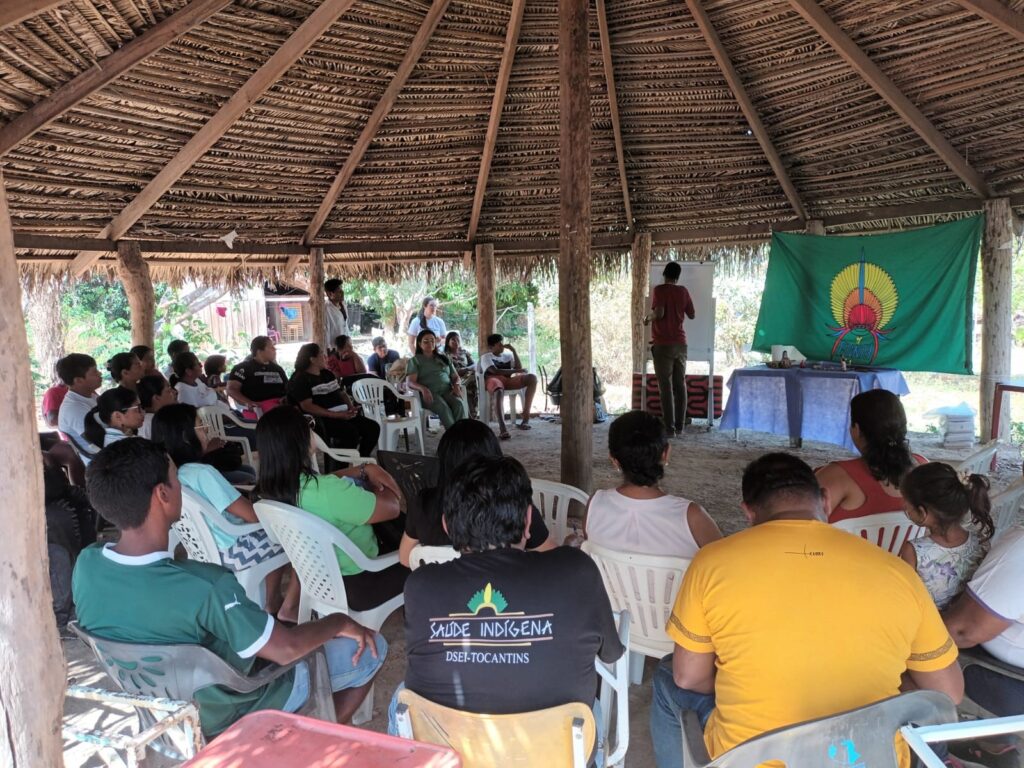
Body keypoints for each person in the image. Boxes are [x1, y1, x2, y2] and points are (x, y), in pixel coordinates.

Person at [650, 452, 963, 768]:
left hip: (750, 758)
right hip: (866, 758)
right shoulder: (897, 572)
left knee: (668, 674)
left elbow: (689, 678)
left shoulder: (711, 563)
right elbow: (948, 694)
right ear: (826, 500)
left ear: (747, 511)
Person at [72, 438, 387, 737]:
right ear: (162, 495)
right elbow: (286, 648)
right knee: (373, 646)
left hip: (165, 710)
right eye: (175, 478)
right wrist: (340, 622)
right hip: (238, 706)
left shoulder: (87, 566)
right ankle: (300, 744)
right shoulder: (207, 585)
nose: (181, 485)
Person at [394, 455, 624, 730]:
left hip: (454, 753)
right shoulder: (577, 571)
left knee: (401, 698)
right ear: (529, 520)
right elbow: (609, 654)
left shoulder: (421, 586)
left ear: (446, 525)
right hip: (557, 752)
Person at [255, 407, 408, 616]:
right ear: (299, 440)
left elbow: (326, 483)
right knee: (426, 558)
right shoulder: (327, 492)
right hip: (361, 583)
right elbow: (393, 509)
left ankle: (291, 608)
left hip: (318, 581)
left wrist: (363, 470)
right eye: (308, 426)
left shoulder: (270, 491)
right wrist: (381, 480)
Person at [152, 403, 286, 611]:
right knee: (290, 538)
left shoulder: (169, 474)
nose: (206, 431)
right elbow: (251, 515)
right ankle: (274, 602)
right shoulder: (201, 473)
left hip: (202, 548)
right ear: (187, 437)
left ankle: (271, 600)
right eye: (201, 426)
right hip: (234, 548)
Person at [398, 419, 555, 567]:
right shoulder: (513, 505)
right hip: (503, 594)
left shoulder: (423, 503)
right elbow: (551, 558)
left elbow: (406, 558)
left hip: (446, 593)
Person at [586, 410, 721, 557]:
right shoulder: (692, 517)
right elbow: (725, 565)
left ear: (614, 460)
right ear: (666, 454)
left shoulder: (595, 506)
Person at [944, 526, 1024, 720]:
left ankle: (927, 744)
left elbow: (962, 632)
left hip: (1009, 684)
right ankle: (997, 745)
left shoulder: (1020, 547)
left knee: (910, 660)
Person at [816, 389, 925, 524]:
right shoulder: (925, 467)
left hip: (846, 546)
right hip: (905, 545)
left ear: (856, 429)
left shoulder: (836, 475)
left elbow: (799, 525)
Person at [898, 463, 994, 610]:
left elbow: (905, 598)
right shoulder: (981, 542)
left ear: (923, 512)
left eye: (907, 503)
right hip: (962, 618)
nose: (905, 507)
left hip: (928, 624)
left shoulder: (915, 551)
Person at [286, 343, 380, 458]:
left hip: (343, 414)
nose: (326, 357)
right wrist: (336, 415)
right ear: (312, 359)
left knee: (373, 428)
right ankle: (340, 466)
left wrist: (351, 407)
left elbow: (342, 393)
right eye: (321, 354)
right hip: (322, 420)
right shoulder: (300, 379)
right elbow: (307, 406)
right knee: (350, 433)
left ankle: (361, 459)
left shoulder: (327, 374)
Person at [644, 261, 695, 437]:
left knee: (665, 387)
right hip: (681, 344)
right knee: (680, 386)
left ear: (665, 274)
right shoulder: (684, 291)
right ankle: (680, 427)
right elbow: (692, 314)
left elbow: (659, 314)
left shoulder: (659, 290)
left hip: (663, 344)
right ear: (678, 276)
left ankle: (670, 429)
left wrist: (647, 318)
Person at [478, 333, 537, 438]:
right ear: (491, 347)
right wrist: (518, 370)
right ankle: (502, 428)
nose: (502, 345)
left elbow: (519, 367)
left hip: (507, 381)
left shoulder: (508, 356)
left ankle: (525, 417)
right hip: (493, 380)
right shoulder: (486, 357)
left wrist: (513, 351)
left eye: (502, 343)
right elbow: (494, 371)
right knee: (499, 390)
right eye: (499, 344)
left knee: (532, 378)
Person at [406, 329, 465, 428]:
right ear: (419, 344)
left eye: (432, 340)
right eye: (426, 341)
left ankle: (459, 437)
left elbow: (456, 377)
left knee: (458, 404)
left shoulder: (443, 358)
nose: (430, 343)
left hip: (447, 391)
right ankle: (454, 439)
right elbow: (410, 382)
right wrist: (423, 389)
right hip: (430, 393)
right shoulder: (415, 361)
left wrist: (456, 385)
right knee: (443, 408)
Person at [57, 353, 103, 464]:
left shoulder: (91, 396)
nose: (100, 374)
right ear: (78, 380)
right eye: (94, 372)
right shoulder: (74, 409)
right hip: (101, 463)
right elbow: (98, 441)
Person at [227, 336, 287, 418]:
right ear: (259, 351)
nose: (274, 350)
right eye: (271, 347)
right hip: (258, 410)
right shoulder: (243, 368)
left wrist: (285, 398)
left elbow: (287, 388)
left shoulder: (277, 369)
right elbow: (231, 389)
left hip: (280, 407)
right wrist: (248, 402)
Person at [443, 331, 477, 419]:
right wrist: (463, 370)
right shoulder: (445, 355)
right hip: (454, 380)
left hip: (468, 377)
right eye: (453, 340)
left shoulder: (464, 352)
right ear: (448, 342)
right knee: (470, 384)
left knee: (473, 381)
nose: (456, 341)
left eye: (458, 339)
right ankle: (470, 415)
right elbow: (448, 371)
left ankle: (472, 414)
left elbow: (474, 365)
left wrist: (467, 369)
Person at [137, 374, 177, 440]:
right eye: (169, 391)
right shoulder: (149, 423)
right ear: (157, 398)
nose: (175, 392)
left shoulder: (161, 417)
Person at [324, 279, 349, 348]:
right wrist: (329, 349)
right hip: (334, 348)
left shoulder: (343, 305)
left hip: (345, 345)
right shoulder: (326, 309)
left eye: (342, 290)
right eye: (339, 291)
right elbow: (325, 331)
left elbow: (345, 325)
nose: (342, 293)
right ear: (330, 294)